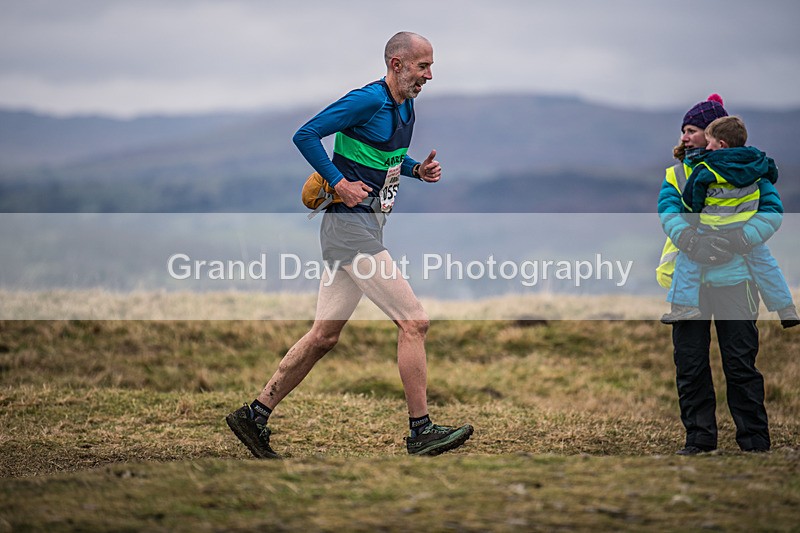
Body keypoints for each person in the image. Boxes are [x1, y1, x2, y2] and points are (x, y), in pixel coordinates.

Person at [226, 31, 473, 458]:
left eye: (431, 66)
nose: (430, 75)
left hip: (365, 227)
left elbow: (383, 157)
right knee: (414, 322)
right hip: (349, 229)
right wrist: (338, 182)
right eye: (422, 66)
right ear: (396, 64)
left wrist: (416, 170)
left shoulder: (406, 103)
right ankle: (421, 431)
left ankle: (255, 414)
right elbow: (305, 134)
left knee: (323, 336)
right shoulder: (367, 99)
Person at [657, 94, 782, 455]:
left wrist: (740, 239)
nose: (684, 137)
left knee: (740, 363)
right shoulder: (678, 173)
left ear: (715, 134)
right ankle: (699, 440)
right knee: (690, 364)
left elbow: (772, 212)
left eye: (692, 130)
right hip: (689, 284)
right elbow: (668, 211)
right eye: (683, 130)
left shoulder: (752, 170)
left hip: (737, 279)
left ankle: (755, 443)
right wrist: (691, 242)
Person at [660, 115, 800, 328]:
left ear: (721, 143)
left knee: (687, 262)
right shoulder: (757, 165)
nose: (686, 138)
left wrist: (691, 235)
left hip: (711, 232)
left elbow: (691, 201)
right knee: (767, 266)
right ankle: (786, 308)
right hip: (742, 232)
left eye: (693, 132)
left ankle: (683, 306)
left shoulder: (706, 168)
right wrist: (745, 237)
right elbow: (772, 185)